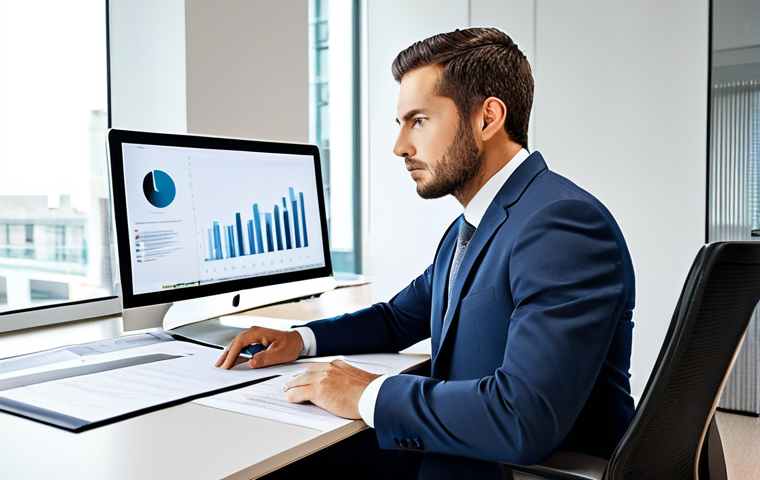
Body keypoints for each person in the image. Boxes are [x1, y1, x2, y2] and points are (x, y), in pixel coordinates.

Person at [216, 27, 635, 480]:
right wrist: (302, 340)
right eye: (401, 124)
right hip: (459, 449)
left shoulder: (561, 225)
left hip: (507, 468)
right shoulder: (476, 223)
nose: (400, 147)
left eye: (419, 120)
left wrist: (367, 393)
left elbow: (522, 418)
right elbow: (397, 319)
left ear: (487, 118)